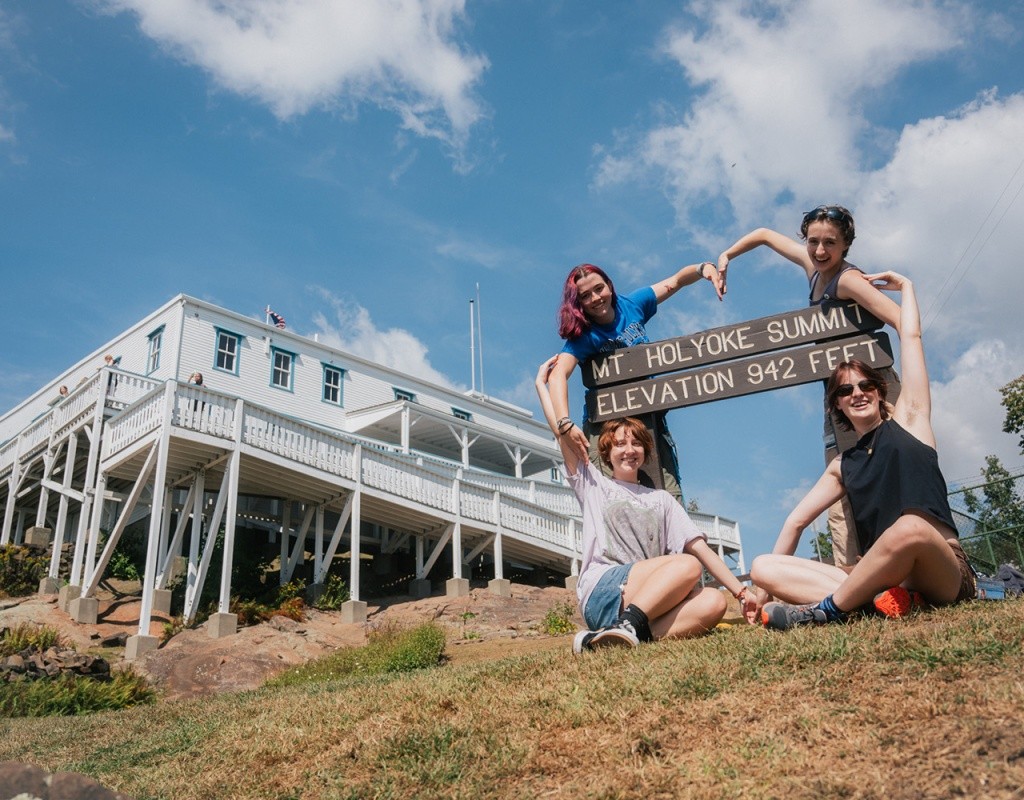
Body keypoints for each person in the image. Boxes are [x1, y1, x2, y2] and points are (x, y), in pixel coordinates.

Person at [747, 271, 976, 630]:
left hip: (941, 567)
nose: (857, 393)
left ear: (880, 390)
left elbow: (910, 335)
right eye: (845, 390)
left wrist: (907, 288)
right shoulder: (842, 465)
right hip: (886, 579)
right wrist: (762, 592)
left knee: (909, 527)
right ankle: (880, 603)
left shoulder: (910, 422)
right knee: (763, 566)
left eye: (866, 384)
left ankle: (826, 611)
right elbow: (796, 521)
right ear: (836, 405)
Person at [717, 205, 902, 567]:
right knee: (838, 491)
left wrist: (906, 395)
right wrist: (727, 255)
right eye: (813, 241)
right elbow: (764, 235)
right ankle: (849, 581)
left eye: (829, 243)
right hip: (838, 399)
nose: (819, 251)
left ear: (846, 244)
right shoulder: (813, 270)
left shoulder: (847, 280)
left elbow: (898, 318)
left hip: (872, 393)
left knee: (886, 480)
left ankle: (900, 569)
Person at [536, 358, 754, 652]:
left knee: (713, 602)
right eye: (620, 444)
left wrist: (740, 593)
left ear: (645, 451)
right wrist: (542, 387)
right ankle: (625, 623)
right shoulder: (593, 484)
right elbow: (561, 434)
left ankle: (612, 639)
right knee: (688, 566)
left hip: (645, 597)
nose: (629, 451)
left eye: (636, 444)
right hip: (603, 591)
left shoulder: (661, 500)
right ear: (607, 452)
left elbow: (700, 548)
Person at [547, 261, 724, 503]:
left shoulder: (632, 305)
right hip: (607, 427)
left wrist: (703, 269)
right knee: (615, 501)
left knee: (669, 497)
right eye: (585, 296)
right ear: (578, 304)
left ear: (609, 285)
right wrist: (565, 423)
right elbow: (557, 375)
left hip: (649, 418)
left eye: (599, 289)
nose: (596, 298)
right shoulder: (584, 336)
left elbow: (675, 281)